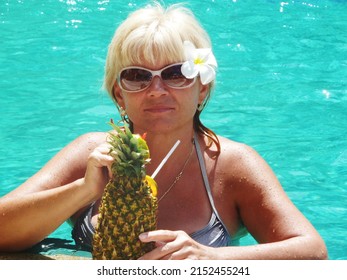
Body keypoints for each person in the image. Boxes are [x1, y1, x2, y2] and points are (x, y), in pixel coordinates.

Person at [0, 2, 327, 260]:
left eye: (175, 73)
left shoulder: (230, 166)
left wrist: (210, 258)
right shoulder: (92, 154)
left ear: (201, 89)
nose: (156, 90)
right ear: (119, 94)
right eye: (138, 76)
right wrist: (82, 191)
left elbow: (312, 252)